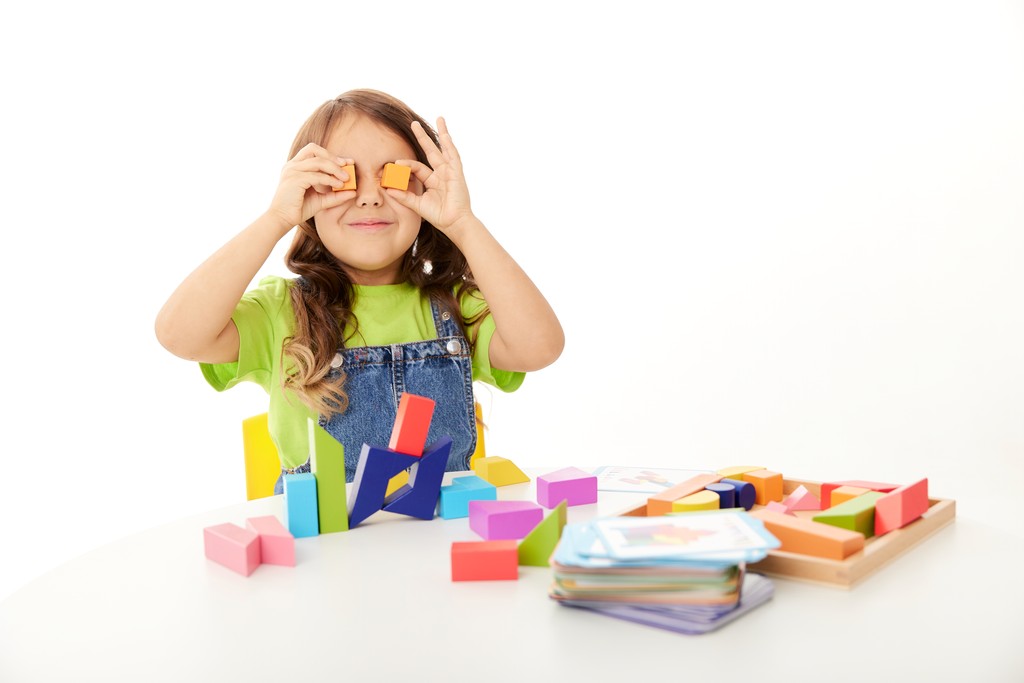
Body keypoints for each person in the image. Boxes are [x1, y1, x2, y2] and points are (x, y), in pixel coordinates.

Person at [155, 89, 564, 488]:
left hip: (435, 544)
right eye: (342, 177)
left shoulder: (454, 305)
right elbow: (178, 334)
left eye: (395, 176)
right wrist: (277, 217)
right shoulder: (282, 310)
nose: (369, 197)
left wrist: (463, 223)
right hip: (325, 551)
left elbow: (540, 348)